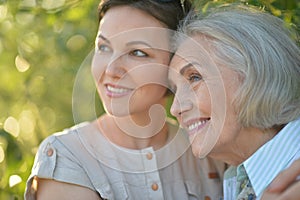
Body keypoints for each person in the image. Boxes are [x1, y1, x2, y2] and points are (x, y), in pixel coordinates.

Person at [24, 0, 225, 199]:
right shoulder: (66, 157)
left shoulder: (209, 152)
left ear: (176, 64)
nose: (111, 70)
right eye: (103, 47)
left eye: (137, 53)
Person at [168, 4, 300, 200]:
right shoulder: (237, 185)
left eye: (194, 77)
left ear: (255, 72)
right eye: (175, 90)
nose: (175, 109)